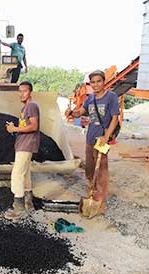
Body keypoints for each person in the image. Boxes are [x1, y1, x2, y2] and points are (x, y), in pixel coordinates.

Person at [64, 70, 120, 213]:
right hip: (90, 137)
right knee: (90, 167)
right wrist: (71, 113)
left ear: (103, 82)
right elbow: (80, 112)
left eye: (98, 81)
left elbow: (115, 118)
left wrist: (106, 136)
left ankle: (101, 199)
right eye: (93, 82)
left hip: (102, 138)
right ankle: (92, 190)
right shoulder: (90, 99)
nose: (95, 85)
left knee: (101, 168)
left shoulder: (111, 97)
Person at [5, 81, 40, 220]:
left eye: (24, 91)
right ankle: (28, 202)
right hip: (23, 143)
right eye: (20, 91)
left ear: (30, 92)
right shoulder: (26, 108)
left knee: (17, 175)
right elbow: (25, 127)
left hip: (26, 145)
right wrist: (14, 129)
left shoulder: (31, 106)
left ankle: (19, 209)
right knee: (25, 174)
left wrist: (14, 129)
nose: (21, 93)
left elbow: (34, 126)